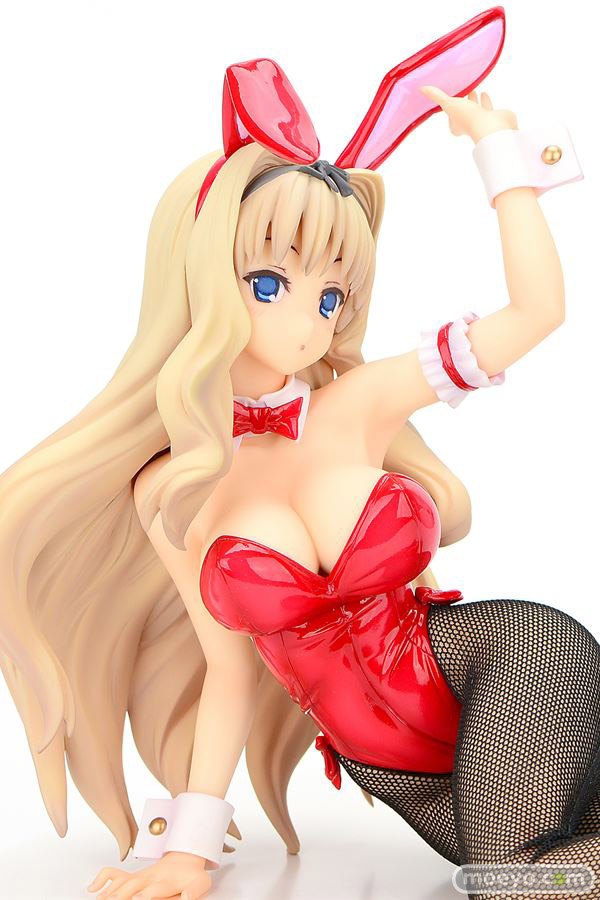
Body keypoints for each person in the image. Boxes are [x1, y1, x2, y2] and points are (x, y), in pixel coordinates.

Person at [0, 12, 594, 900]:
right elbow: (230, 674)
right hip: (403, 771)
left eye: (332, 295)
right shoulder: (171, 487)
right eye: (270, 282)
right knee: (521, 873)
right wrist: (189, 853)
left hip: (503, 667)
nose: (311, 322)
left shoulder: (358, 404)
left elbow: (535, 315)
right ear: (203, 276)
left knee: (511, 881)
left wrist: (499, 152)